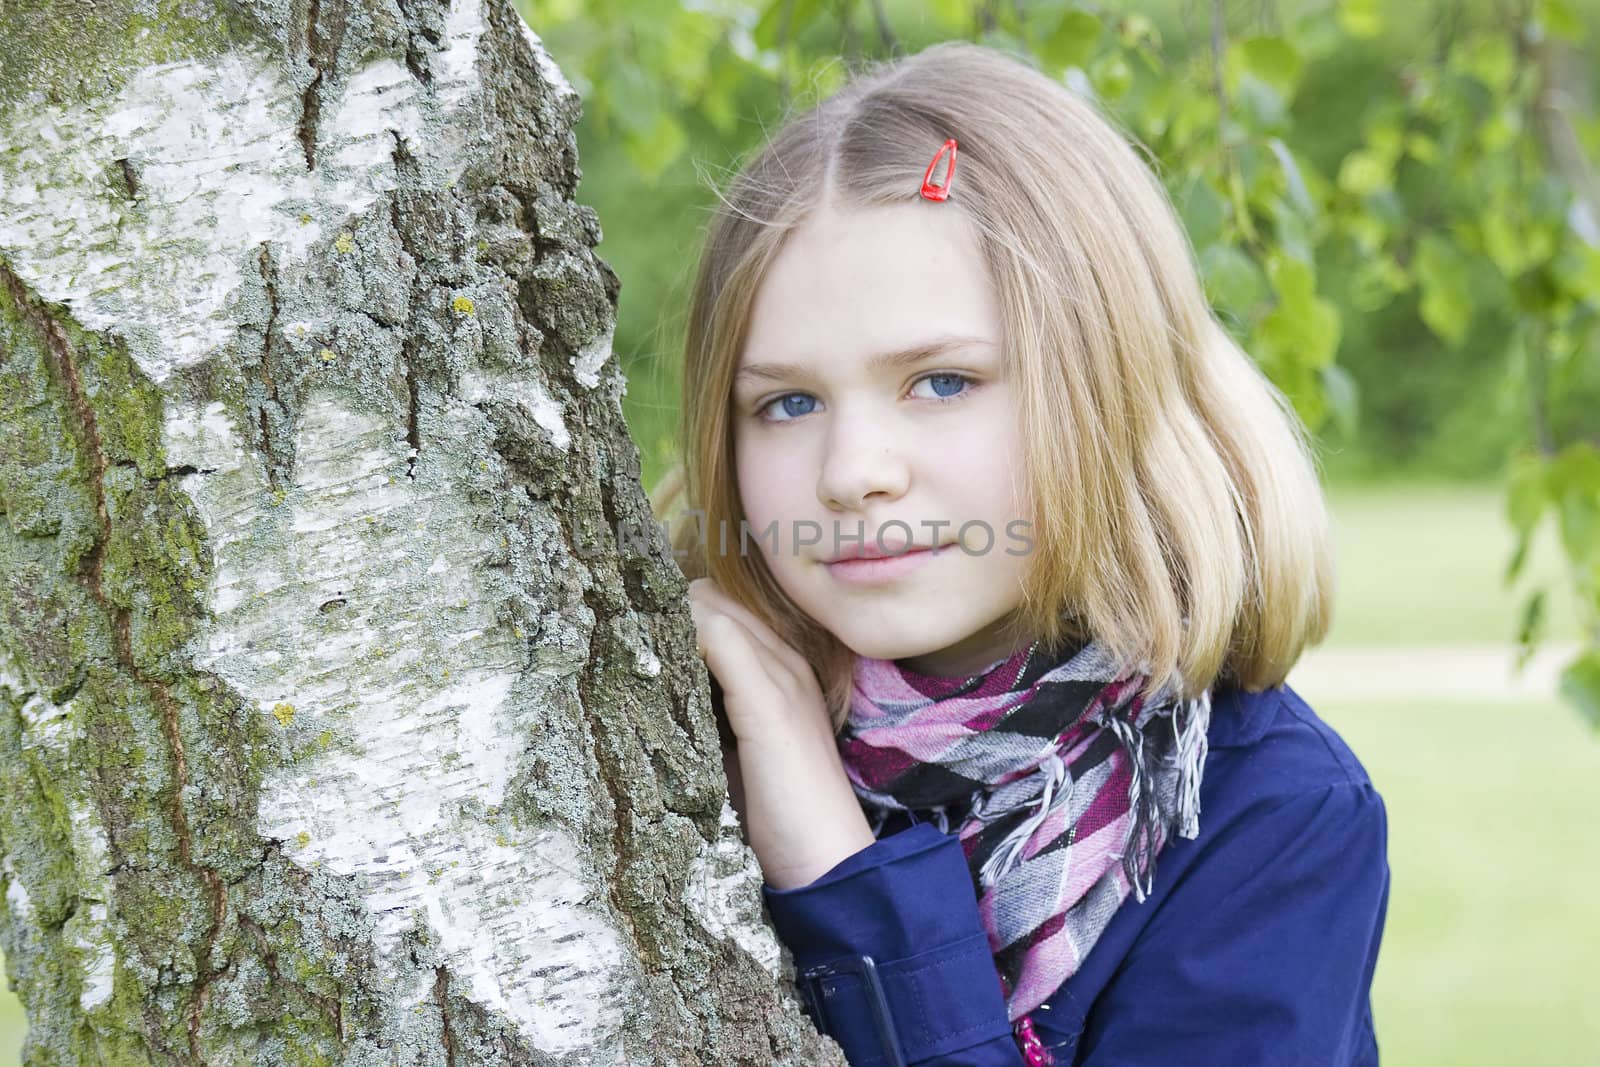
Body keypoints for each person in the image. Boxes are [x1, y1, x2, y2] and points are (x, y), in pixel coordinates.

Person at [649, 39, 1390, 1066]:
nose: (851, 471)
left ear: (1107, 383)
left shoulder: (1266, 817)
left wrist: (835, 868)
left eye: (942, 381)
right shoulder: (672, 741)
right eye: (787, 402)